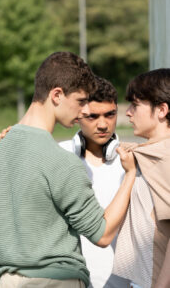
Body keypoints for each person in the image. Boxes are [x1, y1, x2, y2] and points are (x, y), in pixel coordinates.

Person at [0, 51, 136, 288]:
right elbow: (102, 234)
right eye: (81, 101)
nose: (84, 111)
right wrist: (130, 176)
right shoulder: (61, 161)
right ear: (57, 95)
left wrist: (6, 280)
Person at [59, 76, 131, 288]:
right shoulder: (59, 155)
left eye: (110, 115)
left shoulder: (132, 161)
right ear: (77, 116)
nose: (103, 124)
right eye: (93, 117)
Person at [112, 69, 170, 288]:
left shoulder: (165, 157)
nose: (128, 112)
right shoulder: (146, 154)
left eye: (135, 104)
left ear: (162, 110)